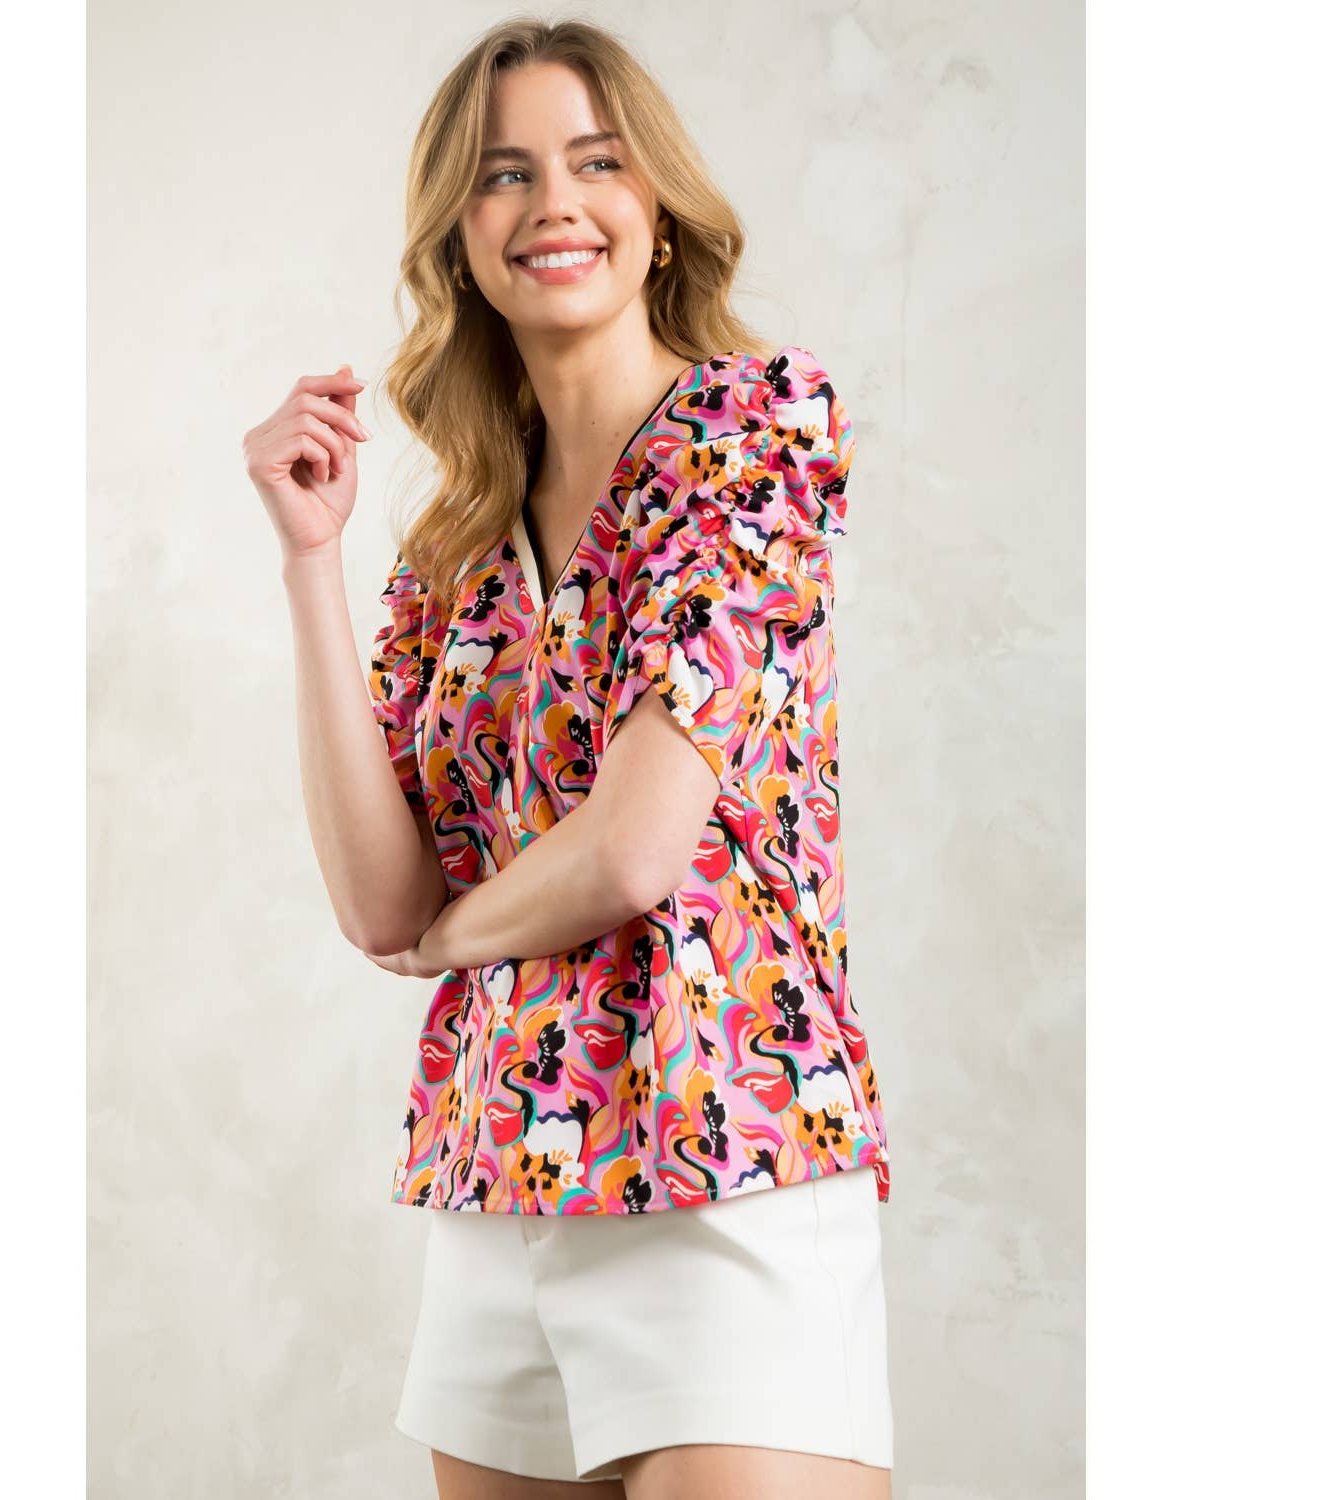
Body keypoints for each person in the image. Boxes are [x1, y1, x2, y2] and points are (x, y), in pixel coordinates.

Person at [242, 17, 893, 1499]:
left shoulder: (753, 432)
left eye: (597, 162)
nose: (554, 203)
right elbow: (377, 901)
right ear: (458, 236)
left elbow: (632, 848)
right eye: (504, 173)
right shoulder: (456, 541)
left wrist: (454, 938)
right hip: (500, 1185)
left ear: (657, 208)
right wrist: (310, 562)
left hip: (729, 1161)